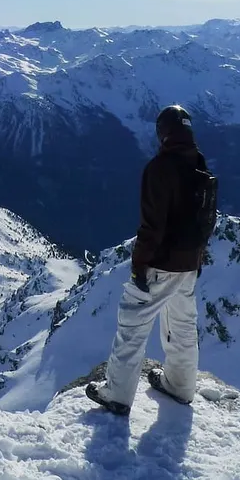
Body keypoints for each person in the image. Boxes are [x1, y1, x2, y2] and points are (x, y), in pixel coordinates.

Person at [86, 104, 215, 416]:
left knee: (133, 324)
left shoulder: (160, 168)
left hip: (160, 262)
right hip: (189, 263)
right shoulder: (199, 164)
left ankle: (117, 394)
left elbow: (152, 225)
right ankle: (181, 386)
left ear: (164, 132)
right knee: (182, 323)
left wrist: (139, 264)